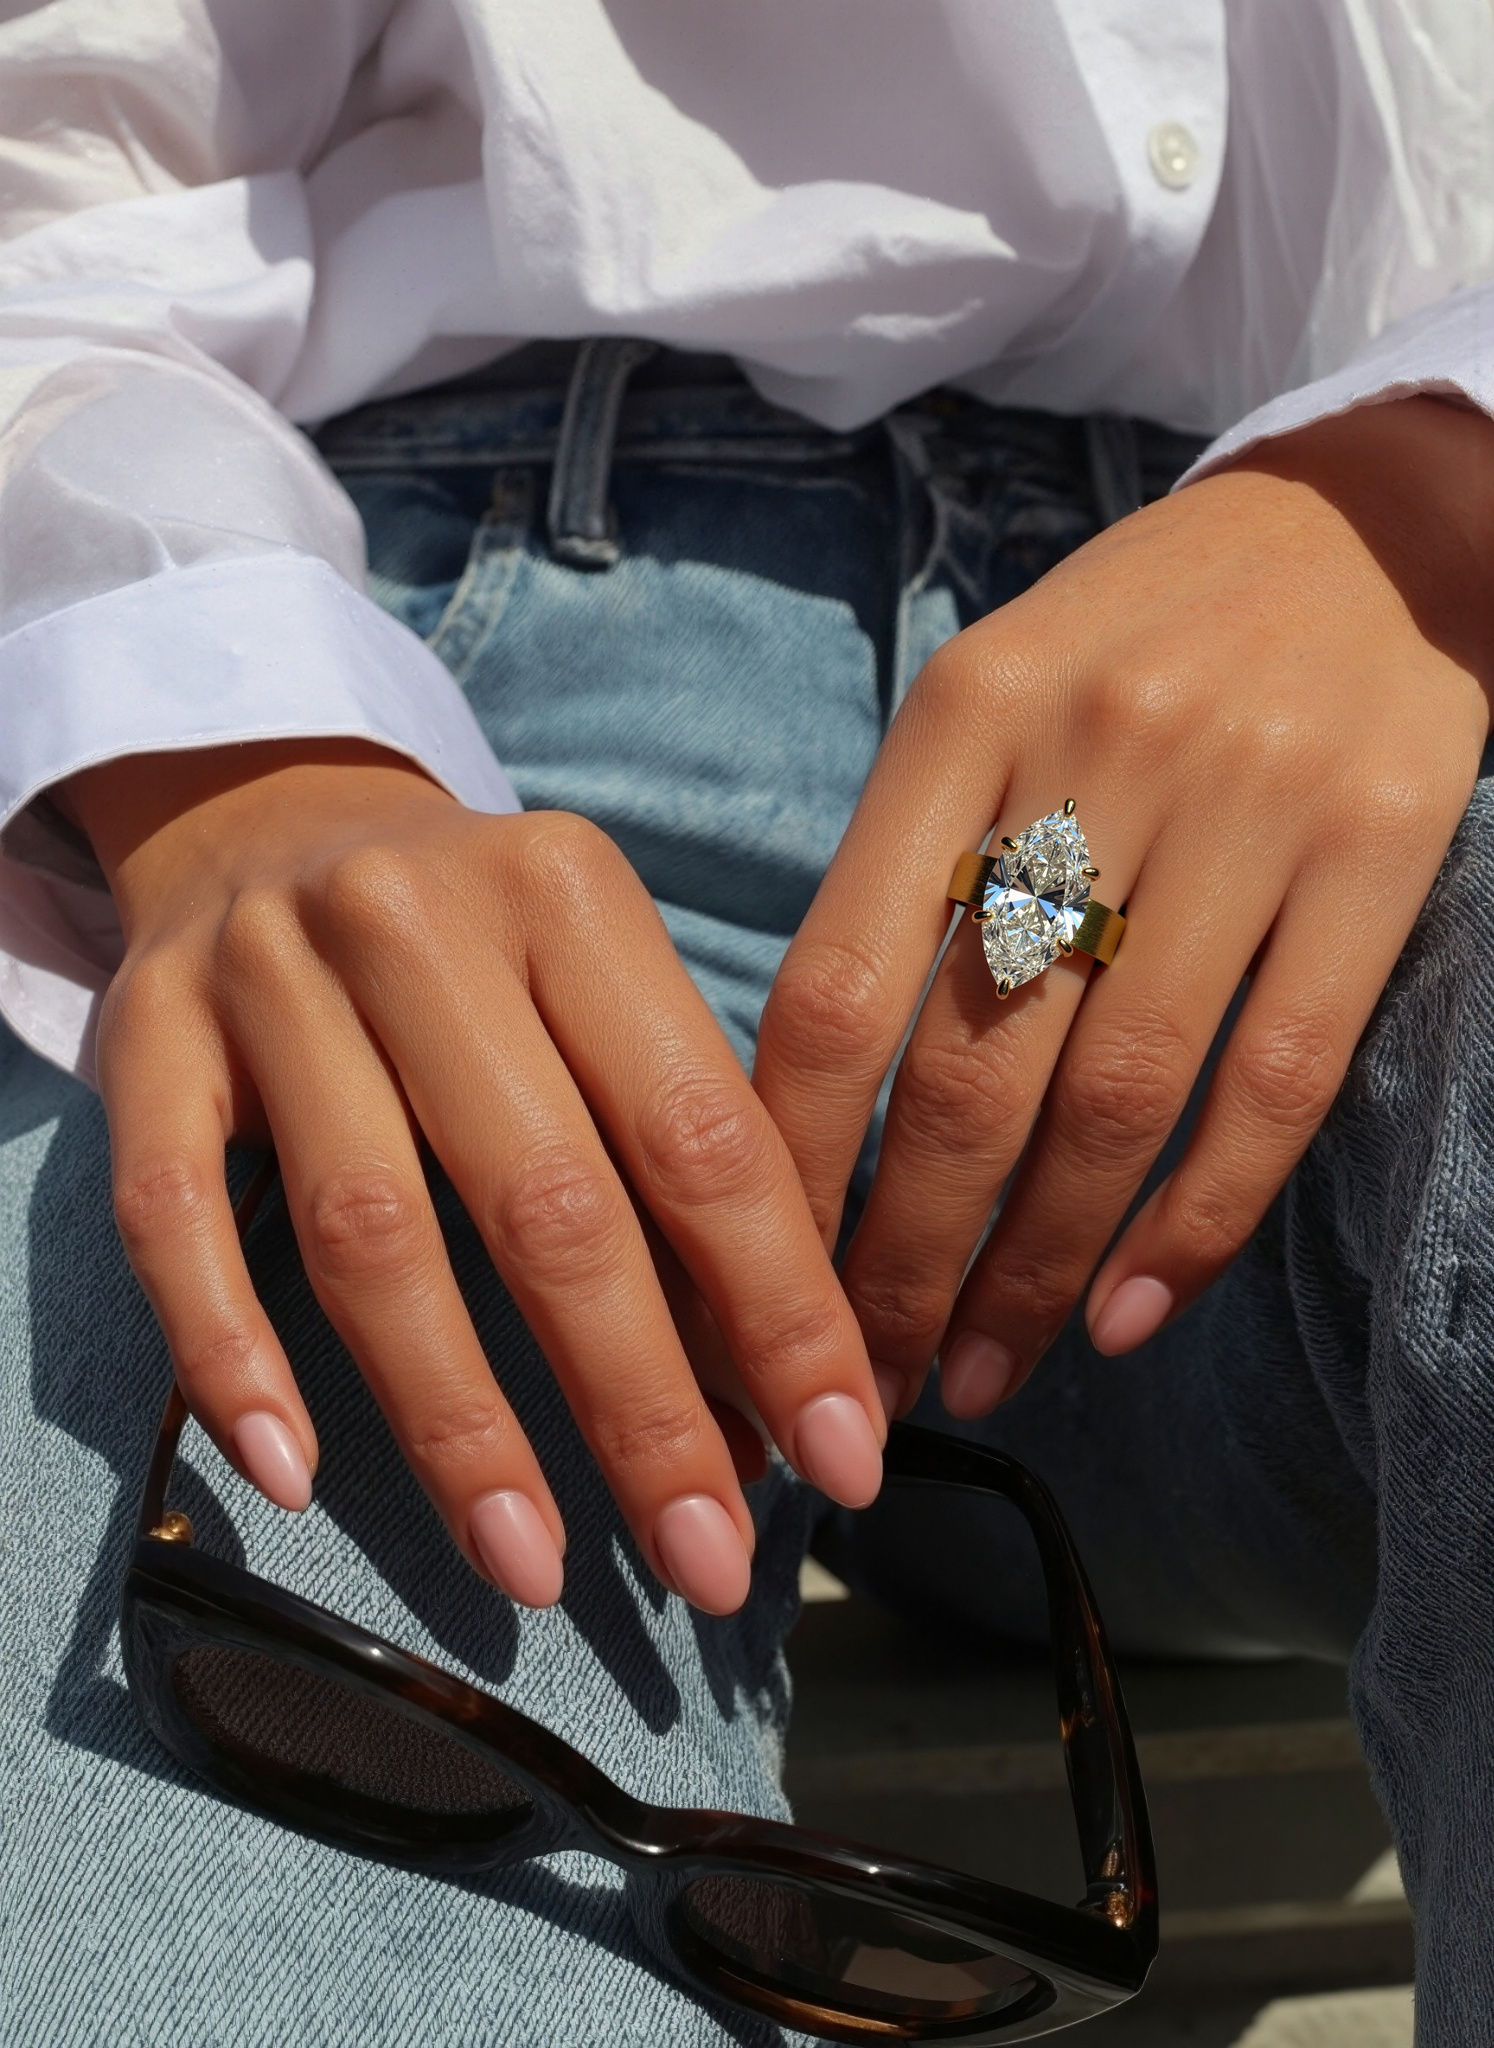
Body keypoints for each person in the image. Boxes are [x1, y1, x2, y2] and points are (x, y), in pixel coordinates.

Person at [0, 1, 1491, 2041]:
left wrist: (1430, 475)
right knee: (249, 1718)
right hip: (453, 710)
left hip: (1364, 724)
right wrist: (237, 753)